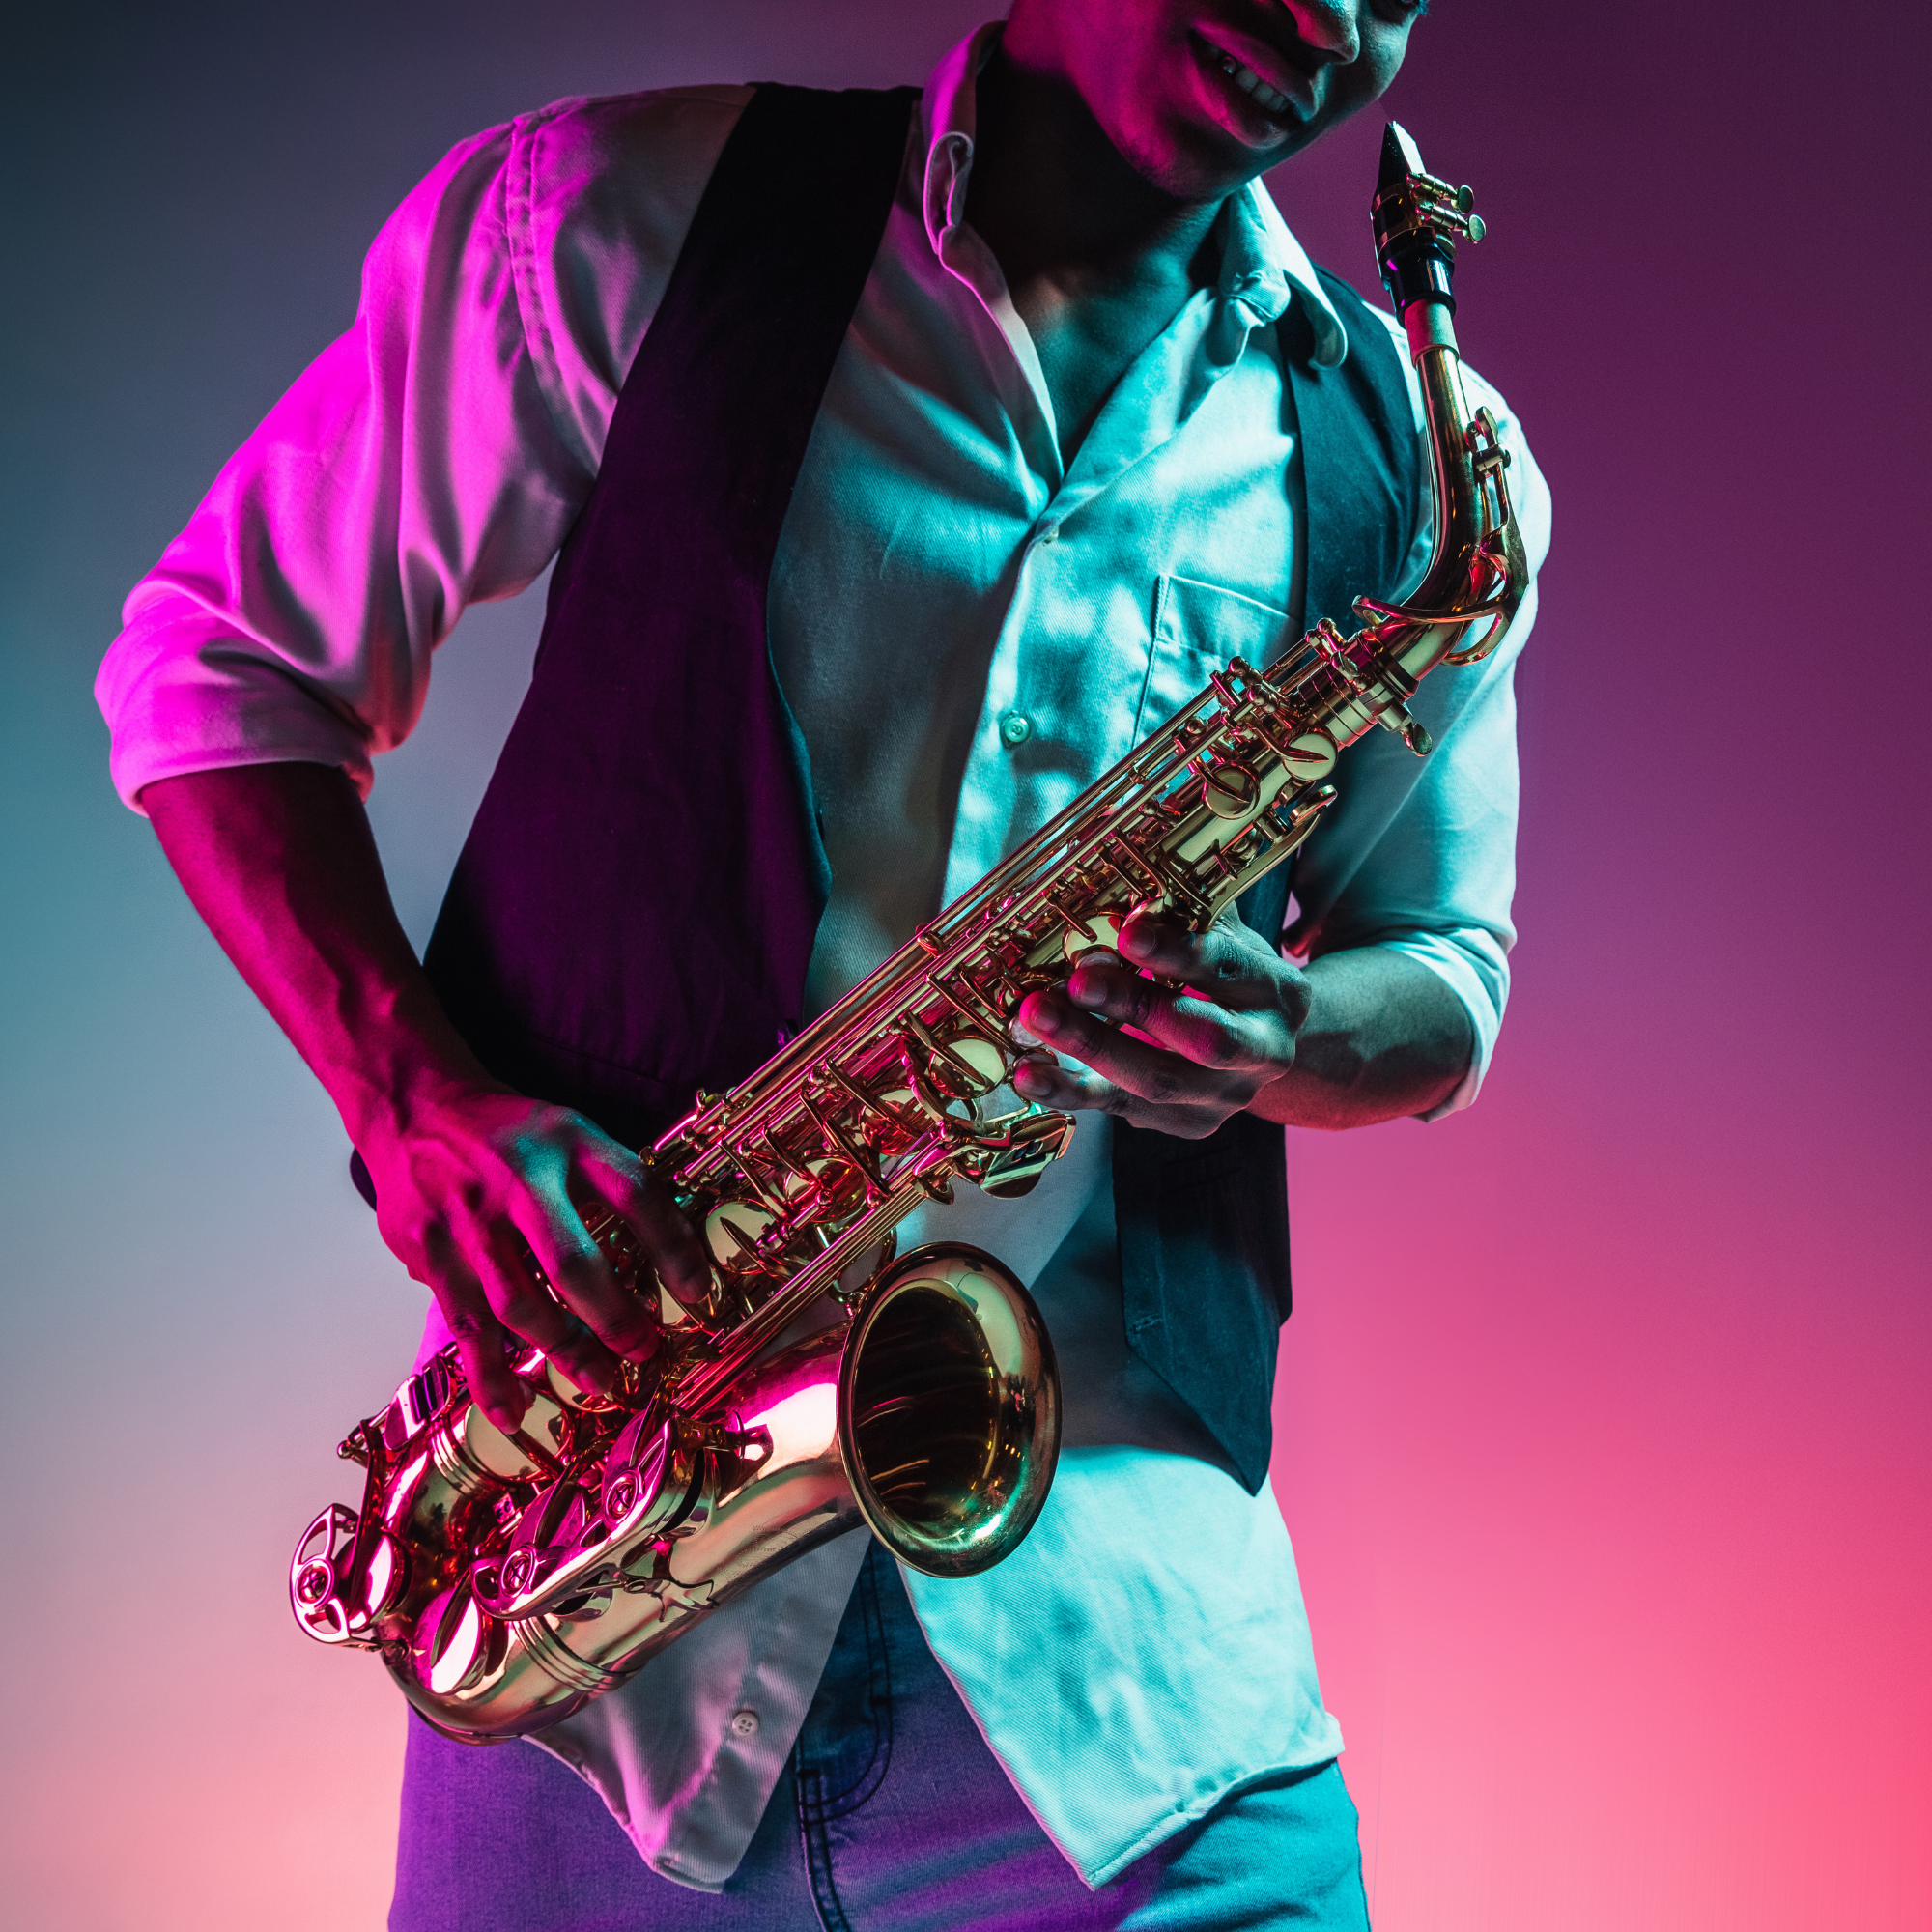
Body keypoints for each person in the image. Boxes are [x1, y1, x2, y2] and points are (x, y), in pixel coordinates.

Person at [97, 1, 1550, 1924]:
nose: (1322, 20)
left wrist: (1278, 1029)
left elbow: (1442, 965)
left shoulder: (1419, 470)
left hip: (1124, 1664)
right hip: (603, 1655)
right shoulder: (621, 219)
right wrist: (411, 1090)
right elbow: (216, 664)